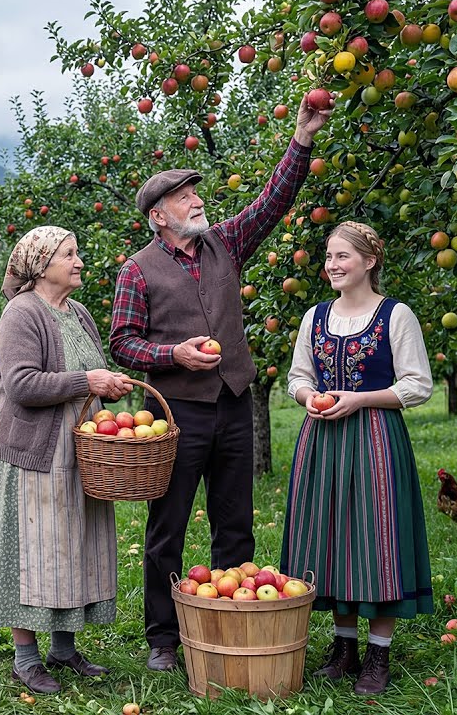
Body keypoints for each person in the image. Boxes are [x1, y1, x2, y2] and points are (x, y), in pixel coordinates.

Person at [110, 96, 333, 672]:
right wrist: (173, 354)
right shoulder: (137, 270)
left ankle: (232, 620)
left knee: (234, 523)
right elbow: (123, 343)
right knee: (168, 527)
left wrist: (301, 140)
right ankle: (164, 637)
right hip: (179, 413)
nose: (197, 200)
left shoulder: (224, 243)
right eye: (185, 197)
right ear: (159, 215)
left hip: (233, 403)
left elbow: (272, 203)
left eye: (195, 193)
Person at [0, 226, 134, 695]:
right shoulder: (21, 313)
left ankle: (64, 648)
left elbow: (92, 373)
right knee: (32, 554)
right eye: (70, 254)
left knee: (72, 545)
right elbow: (22, 384)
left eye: (77, 252)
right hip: (34, 453)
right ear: (42, 265)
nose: (79, 261)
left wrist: (109, 384)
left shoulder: (79, 313)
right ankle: (26, 658)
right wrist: (88, 381)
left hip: (83, 449)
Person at [281, 221, 434, 694]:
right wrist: (309, 395)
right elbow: (297, 375)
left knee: (375, 539)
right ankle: (343, 647)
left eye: (342, 256)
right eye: (328, 257)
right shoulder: (316, 316)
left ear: (369, 261)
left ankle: (377, 656)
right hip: (322, 439)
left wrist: (360, 398)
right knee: (328, 536)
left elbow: (417, 384)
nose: (331, 265)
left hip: (375, 440)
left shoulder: (396, 315)